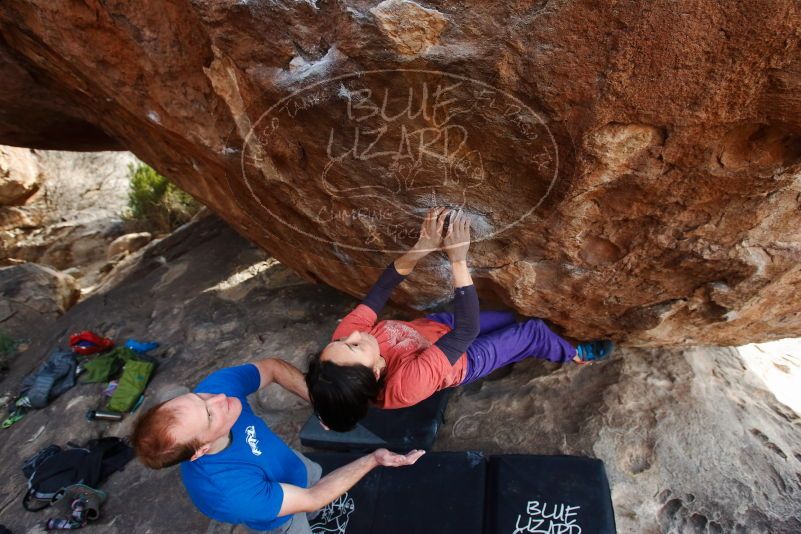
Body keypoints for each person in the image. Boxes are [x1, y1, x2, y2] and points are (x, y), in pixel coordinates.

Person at [306, 207, 614, 432]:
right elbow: (468, 331)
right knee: (531, 332)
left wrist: (421, 247)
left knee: (511, 315)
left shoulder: (342, 348)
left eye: (344, 340)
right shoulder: (405, 386)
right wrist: (457, 257)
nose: (352, 335)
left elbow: (382, 288)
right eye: (354, 346)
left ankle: (537, 339)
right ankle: (575, 354)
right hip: (463, 360)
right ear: (374, 373)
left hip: (438, 328)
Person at [131, 358, 424, 533]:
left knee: (309, 473)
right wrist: (373, 459)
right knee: (301, 514)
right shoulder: (234, 492)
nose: (218, 398)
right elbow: (311, 498)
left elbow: (270, 368)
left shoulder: (215, 389)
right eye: (209, 414)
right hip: (278, 519)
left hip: (286, 464)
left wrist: (322, 404)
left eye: (200, 398)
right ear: (201, 449)